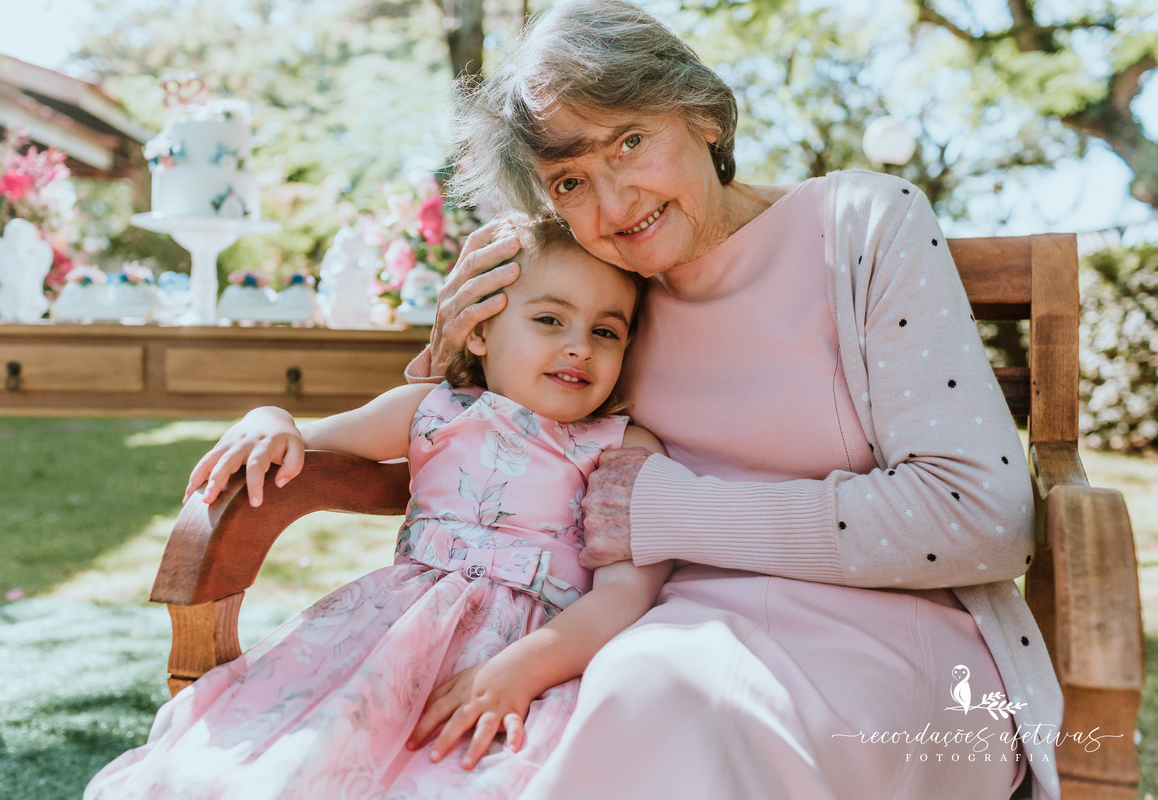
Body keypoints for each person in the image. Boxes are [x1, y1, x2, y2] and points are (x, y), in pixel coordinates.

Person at [406, 2, 1064, 798]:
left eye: (630, 142)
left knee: (677, 707)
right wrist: (450, 347)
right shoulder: (604, 307)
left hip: (896, 639)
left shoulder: (863, 226)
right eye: (570, 182)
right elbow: (491, 448)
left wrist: (674, 513)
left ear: (705, 117)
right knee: (607, 712)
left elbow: (981, 519)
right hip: (657, 633)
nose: (614, 206)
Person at [83, 219, 672, 800]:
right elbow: (307, 436)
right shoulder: (435, 408)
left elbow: (625, 593)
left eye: (606, 331)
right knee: (312, 755)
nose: (580, 346)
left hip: (541, 654)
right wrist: (267, 417)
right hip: (397, 636)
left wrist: (519, 672)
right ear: (480, 332)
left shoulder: (622, 448)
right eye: (549, 320)